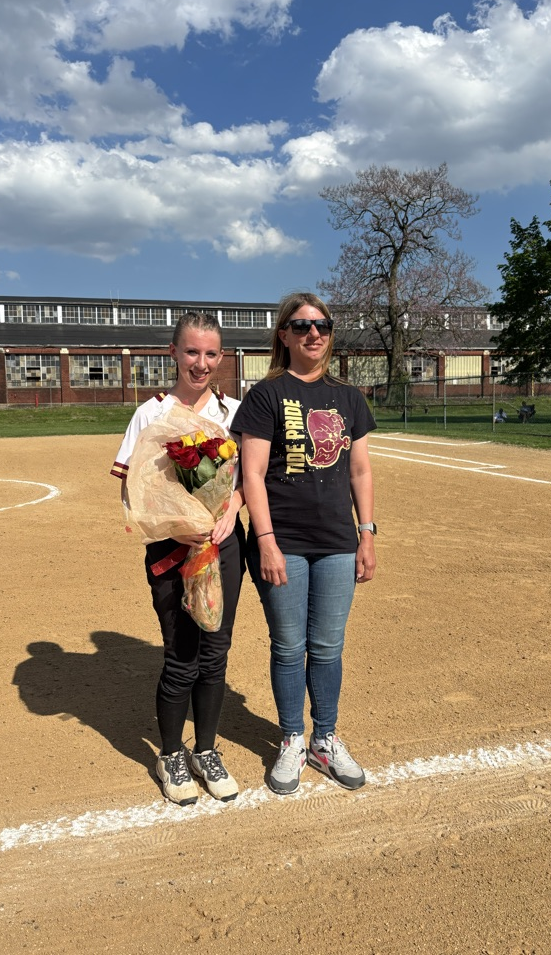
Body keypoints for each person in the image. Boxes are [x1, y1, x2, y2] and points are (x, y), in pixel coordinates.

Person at [232, 292, 376, 796]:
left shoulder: (350, 397)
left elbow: (359, 469)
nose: (313, 333)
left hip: (338, 541)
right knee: (290, 647)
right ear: (283, 335)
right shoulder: (266, 395)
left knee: (328, 647)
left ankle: (325, 739)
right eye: (300, 326)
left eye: (321, 325)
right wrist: (266, 541)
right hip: (284, 540)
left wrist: (368, 533)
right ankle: (292, 738)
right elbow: (250, 474)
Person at [110, 312, 246, 806]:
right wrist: (180, 525)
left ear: (222, 357)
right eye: (192, 352)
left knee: (216, 650)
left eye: (211, 354)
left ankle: (206, 749)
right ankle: (172, 753)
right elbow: (135, 490)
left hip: (225, 544)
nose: (201, 363)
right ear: (173, 353)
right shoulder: (152, 413)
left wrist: (231, 507)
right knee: (181, 655)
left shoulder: (235, 412)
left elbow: (247, 479)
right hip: (173, 549)